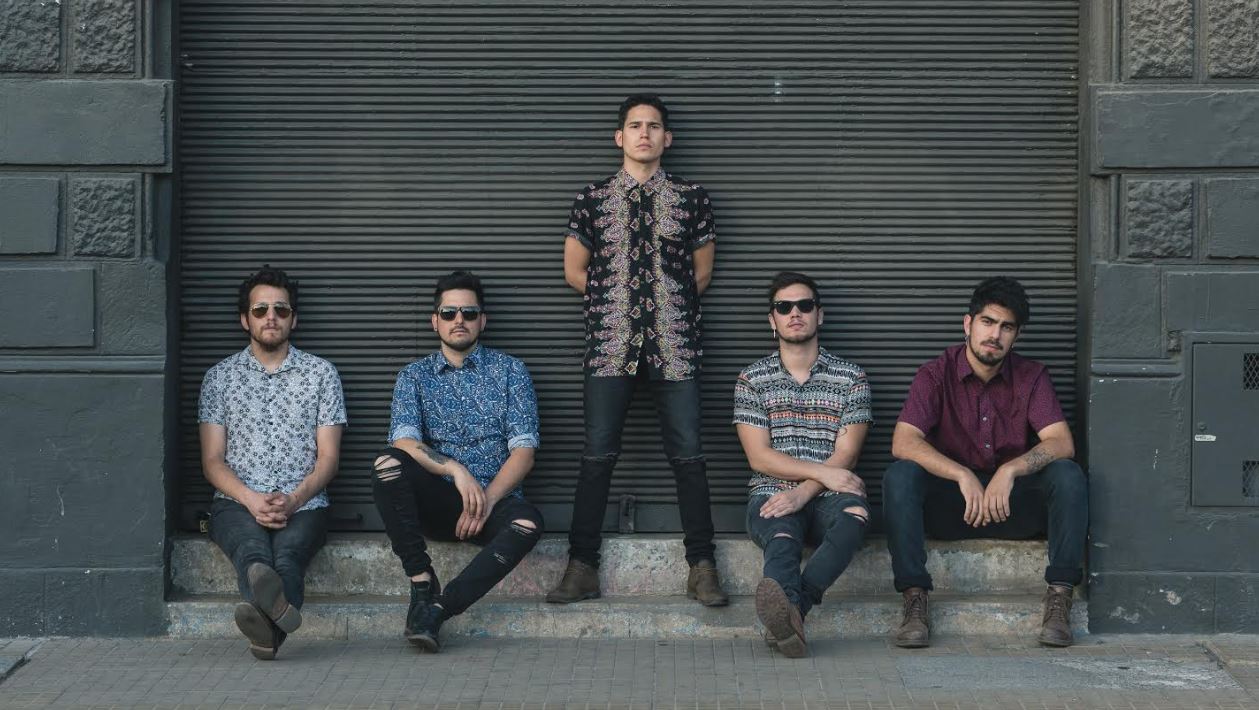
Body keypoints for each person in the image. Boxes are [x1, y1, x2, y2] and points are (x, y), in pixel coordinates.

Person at [548, 93, 727, 607]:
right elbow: (574, 271)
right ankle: (581, 568)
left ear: (667, 138)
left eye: (653, 126)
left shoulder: (692, 198)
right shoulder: (592, 198)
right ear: (619, 137)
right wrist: (619, 305)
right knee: (597, 455)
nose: (644, 133)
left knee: (689, 456)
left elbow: (701, 273)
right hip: (610, 344)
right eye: (634, 125)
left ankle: (702, 567)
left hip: (676, 343)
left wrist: (664, 308)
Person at [884, 276, 1087, 648]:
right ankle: (914, 599)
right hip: (953, 509)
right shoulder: (935, 374)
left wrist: (1010, 470)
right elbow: (904, 441)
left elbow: (1061, 442)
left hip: (1010, 507)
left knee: (1067, 474)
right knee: (900, 475)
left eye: (1006, 327)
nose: (995, 335)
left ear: (1016, 335)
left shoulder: (1031, 377)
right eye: (988, 322)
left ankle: (1059, 597)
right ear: (968, 323)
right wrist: (961, 474)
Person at [372, 271, 544, 652]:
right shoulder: (414, 376)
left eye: (469, 313)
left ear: (483, 320)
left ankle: (438, 609)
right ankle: (421, 580)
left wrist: (487, 500)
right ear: (435, 321)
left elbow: (524, 452)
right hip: (439, 502)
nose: (459, 320)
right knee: (387, 463)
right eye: (449, 313)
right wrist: (455, 469)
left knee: (529, 523)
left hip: (493, 503)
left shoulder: (511, 371)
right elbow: (404, 442)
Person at [199, 265, 346, 660]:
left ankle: (266, 634)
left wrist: (294, 500)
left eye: (281, 310)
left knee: (288, 558)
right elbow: (212, 461)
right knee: (252, 554)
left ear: (293, 319)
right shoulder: (219, 378)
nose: (271, 317)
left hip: (306, 504)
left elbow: (329, 458)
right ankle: (272, 630)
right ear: (244, 319)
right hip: (235, 503)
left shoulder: (321, 375)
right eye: (260, 310)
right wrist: (251, 499)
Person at [732, 272, 872, 657]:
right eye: (784, 307)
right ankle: (789, 618)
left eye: (805, 305)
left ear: (819, 315)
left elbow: (847, 454)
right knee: (782, 537)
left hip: (830, 496)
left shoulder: (851, 377)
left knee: (856, 514)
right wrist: (819, 475)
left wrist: (805, 491)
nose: (795, 313)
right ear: (772, 320)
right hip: (772, 492)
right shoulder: (752, 379)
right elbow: (759, 457)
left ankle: (794, 611)